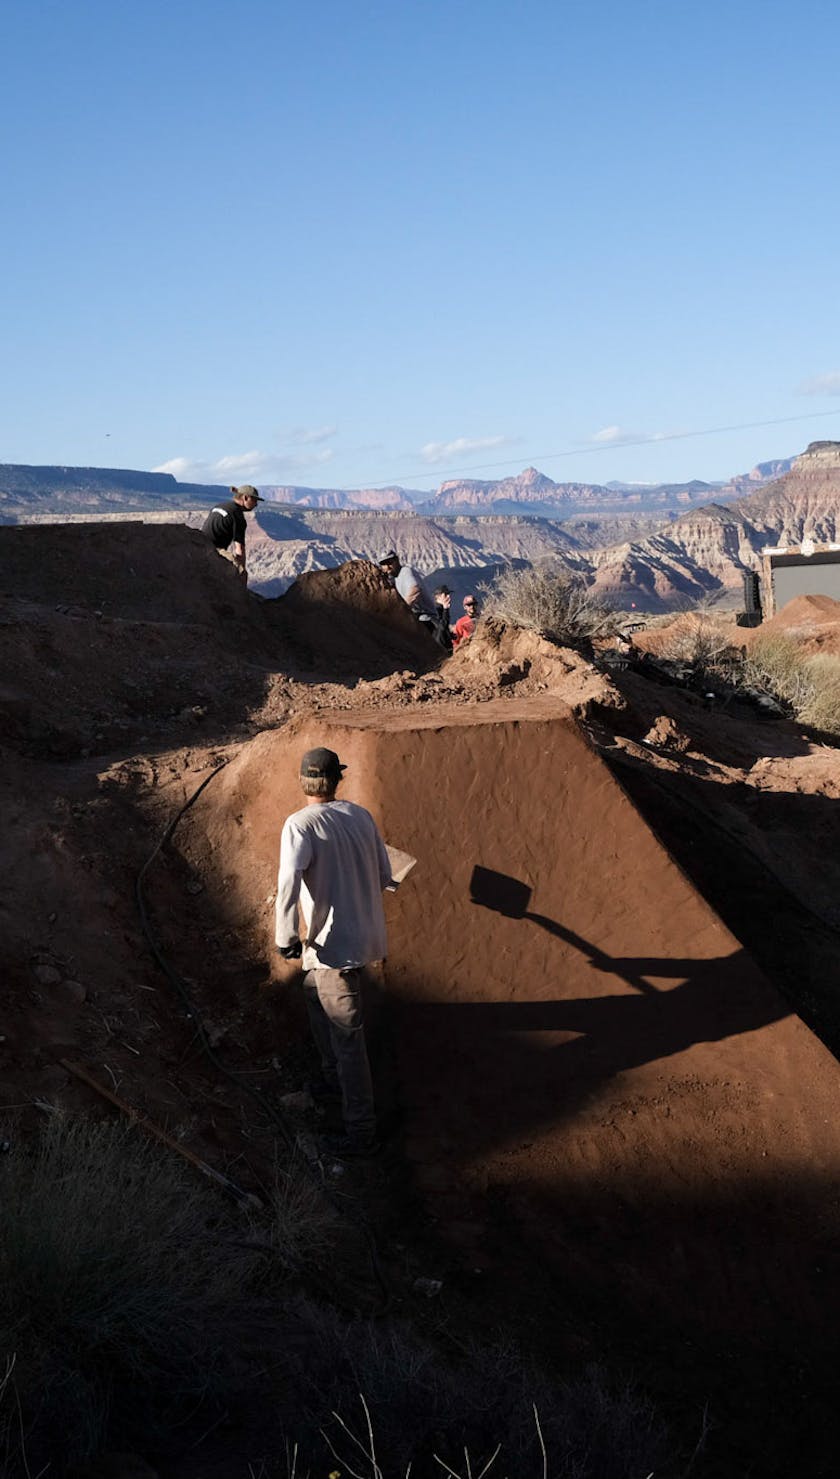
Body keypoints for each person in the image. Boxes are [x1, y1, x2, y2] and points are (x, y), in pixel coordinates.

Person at [275, 746, 394, 1158]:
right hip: (363, 938)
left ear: (302, 782)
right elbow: (385, 875)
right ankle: (330, 1080)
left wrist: (285, 936)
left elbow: (288, 887)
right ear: (337, 779)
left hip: (332, 947)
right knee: (312, 992)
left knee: (348, 1040)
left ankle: (360, 1131)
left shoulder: (299, 825)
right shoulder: (360, 816)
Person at [201, 484, 264, 580]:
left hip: (200, 544)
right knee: (236, 572)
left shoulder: (220, 506)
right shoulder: (237, 515)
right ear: (245, 497)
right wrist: (242, 573)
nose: (256, 504)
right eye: (254, 500)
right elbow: (239, 550)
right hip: (213, 551)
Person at [378, 549, 435, 623]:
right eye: (383, 564)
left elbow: (415, 590)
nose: (387, 566)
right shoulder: (395, 578)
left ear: (397, 560)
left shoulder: (405, 572)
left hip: (427, 619)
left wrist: (401, 609)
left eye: (390, 562)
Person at [432, 585, 454, 653]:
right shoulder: (435, 611)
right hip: (440, 649)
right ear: (437, 597)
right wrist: (445, 609)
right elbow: (442, 627)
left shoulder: (441, 609)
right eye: (445, 595)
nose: (448, 596)